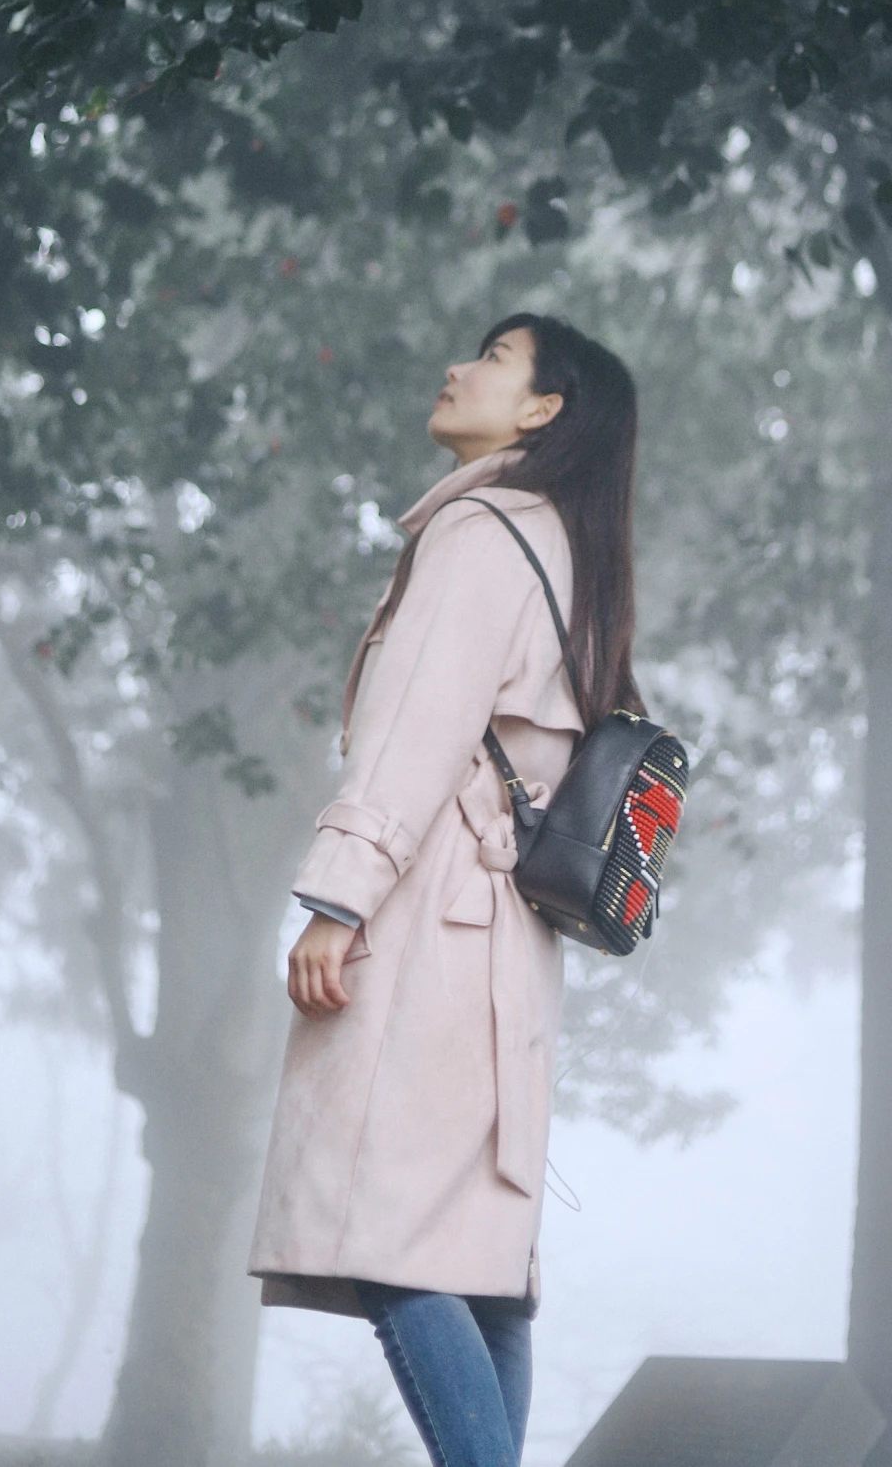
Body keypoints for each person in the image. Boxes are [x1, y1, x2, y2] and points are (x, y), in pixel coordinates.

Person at [249, 313, 642, 1467]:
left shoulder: (480, 530)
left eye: (494, 358)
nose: (455, 366)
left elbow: (414, 732)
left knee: (384, 1237)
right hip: (509, 944)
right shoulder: (574, 549)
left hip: (428, 924)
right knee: (476, 1268)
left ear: (540, 409)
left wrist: (338, 897)